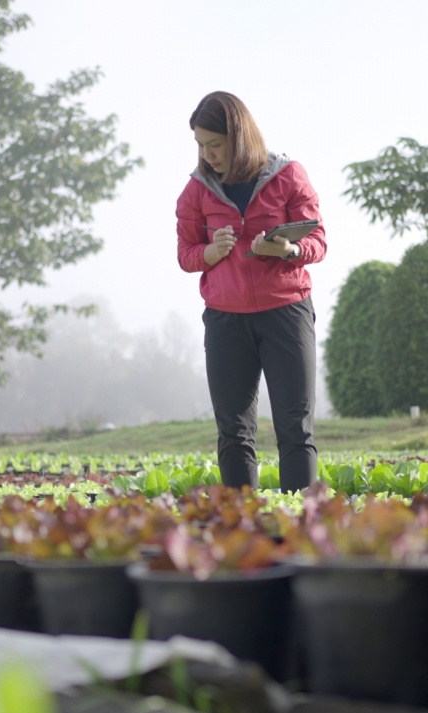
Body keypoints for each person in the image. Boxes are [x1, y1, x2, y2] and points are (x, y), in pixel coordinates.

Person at [175, 91, 327, 493]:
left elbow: (319, 242)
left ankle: (301, 532)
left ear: (238, 136)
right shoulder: (196, 191)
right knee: (234, 432)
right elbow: (186, 254)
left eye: (215, 144)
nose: (208, 155)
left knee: (295, 427)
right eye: (200, 146)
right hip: (226, 321)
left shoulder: (289, 175)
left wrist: (288, 249)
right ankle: (243, 532)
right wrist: (209, 251)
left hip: (287, 315)